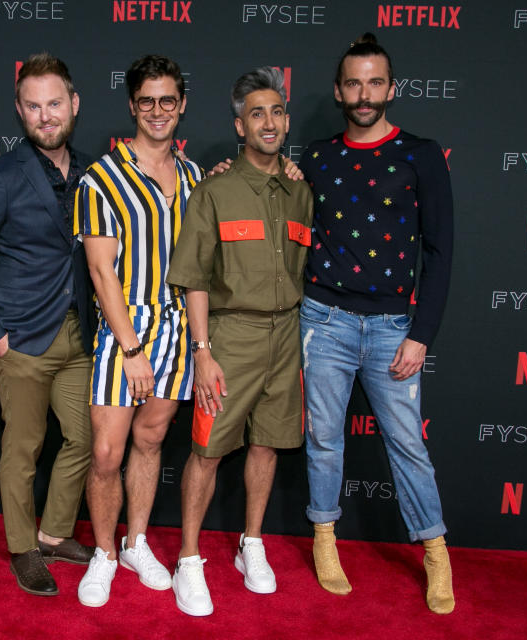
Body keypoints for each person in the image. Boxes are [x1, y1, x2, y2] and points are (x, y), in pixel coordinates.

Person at [298, 32, 455, 614]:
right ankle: (324, 538)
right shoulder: (316, 156)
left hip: (393, 327)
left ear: (391, 88)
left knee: (408, 447)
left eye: (375, 82)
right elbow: (271, 198)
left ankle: (434, 550)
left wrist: (421, 334)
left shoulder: (421, 153)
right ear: (339, 90)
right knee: (323, 440)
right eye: (353, 83)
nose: (364, 94)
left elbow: (440, 252)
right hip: (324, 321)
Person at [0, 53, 95, 597]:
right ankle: (22, 547)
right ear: (19, 111)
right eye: (33, 105)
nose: (45, 115)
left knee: (86, 439)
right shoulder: (1, 177)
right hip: (20, 340)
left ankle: (54, 534)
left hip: (80, 335)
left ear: (74, 105)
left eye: (55, 103)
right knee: (23, 448)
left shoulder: (94, 173)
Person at [166, 67, 313, 616]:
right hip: (230, 338)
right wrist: (202, 353)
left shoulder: (301, 192)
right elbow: (194, 278)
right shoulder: (215, 190)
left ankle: (251, 543)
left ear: (286, 121)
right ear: (239, 126)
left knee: (267, 444)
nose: (269, 122)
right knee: (206, 451)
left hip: (287, 335)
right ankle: (188, 558)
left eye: (276, 111)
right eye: (257, 113)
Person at [73, 55, 204, 608]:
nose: (157, 111)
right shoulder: (101, 178)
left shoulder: (197, 176)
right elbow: (101, 272)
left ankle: (136, 542)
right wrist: (130, 348)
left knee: (150, 442)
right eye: (146, 101)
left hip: (179, 329)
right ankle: (103, 553)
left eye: (167, 100)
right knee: (106, 452)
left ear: (181, 106)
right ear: (132, 106)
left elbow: (201, 265)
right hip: (126, 332)